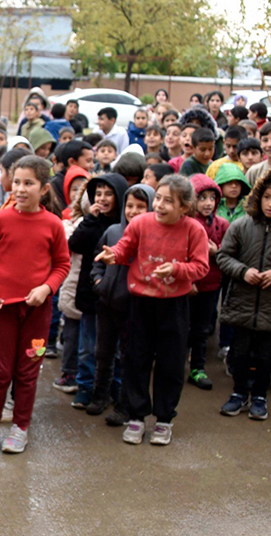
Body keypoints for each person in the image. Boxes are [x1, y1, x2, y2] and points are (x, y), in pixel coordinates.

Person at [95, 175, 210, 446]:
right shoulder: (141, 223)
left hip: (174, 305)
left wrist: (178, 269)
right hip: (140, 302)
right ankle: (136, 417)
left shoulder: (194, 230)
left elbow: (201, 267)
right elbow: (126, 247)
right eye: (158, 198)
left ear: (184, 207)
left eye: (168, 201)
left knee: (170, 364)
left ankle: (164, 419)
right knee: (135, 359)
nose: (159, 205)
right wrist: (115, 255)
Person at [0, 155, 70, 453]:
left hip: (38, 314)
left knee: (28, 370)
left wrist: (46, 287)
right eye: (17, 182)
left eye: (29, 183)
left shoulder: (53, 224)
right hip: (2, 310)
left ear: (44, 189)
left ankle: (20, 426)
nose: (22, 189)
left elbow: (62, 265)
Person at [216, 171, 271, 420]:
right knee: (240, 351)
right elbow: (223, 256)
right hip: (241, 301)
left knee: (265, 354)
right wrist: (243, 272)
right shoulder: (242, 225)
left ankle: (259, 396)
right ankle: (238, 393)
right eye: (267, 197)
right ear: (258, 196)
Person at [89, 183, 153, 421]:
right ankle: (100, 396)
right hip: (107, 302)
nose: (134, 211)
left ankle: (125, 405)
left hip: (134, 306)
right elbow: (97, 259)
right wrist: (98, 281)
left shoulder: (152, 235)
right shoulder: (114, 231)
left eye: (141, 206)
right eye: (130, 206)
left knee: (130, 357)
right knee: (103, 353)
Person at [68, 173, 129, 408]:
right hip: (90, 294)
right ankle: (85, 386)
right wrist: (89, 220)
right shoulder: (91, 221)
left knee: (113, 349)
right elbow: (75, 244)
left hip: (116, 297)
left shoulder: (124, 226)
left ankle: (113, 386)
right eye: (98, 194)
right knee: (87, 348)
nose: (102, 199)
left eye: (108, 194)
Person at [185, 174, 229, 391]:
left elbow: (229, 255)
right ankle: (175, 363)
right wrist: (189, 281)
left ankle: (197, 367)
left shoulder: (222, 225)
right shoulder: (185, 223)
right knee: (181, 326)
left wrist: (216, 252)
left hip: (210, 285)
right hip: (186, 286)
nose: (208, 203)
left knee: (201, 329)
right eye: (202, 198)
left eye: (213, 198)